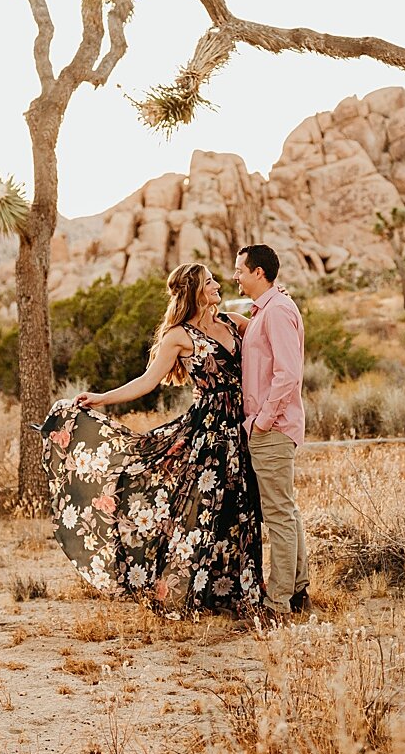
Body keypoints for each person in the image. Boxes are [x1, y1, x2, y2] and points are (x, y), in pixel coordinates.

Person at [38, 263, 264, 617]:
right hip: (206, 433)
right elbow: (147, 382)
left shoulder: (234, 322)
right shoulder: (179, 335)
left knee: (241, 507)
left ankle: (236, 592)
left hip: (241, 428)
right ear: (194, 292)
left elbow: (271, 346)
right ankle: (187, 591)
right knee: (201, 511)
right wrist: (102, 397)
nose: (217, 285)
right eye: (209, 282)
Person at [231, 244, 310, 619]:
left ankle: (278, 602)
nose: (236, 277)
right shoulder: (268, 310)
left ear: (258, 272)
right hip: (274, 426)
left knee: (277, 515)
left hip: (273, 428)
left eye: (240, 270)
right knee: (285, 510)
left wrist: (262, 422)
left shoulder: (276, 311)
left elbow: (288, 374)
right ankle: (298, 588)